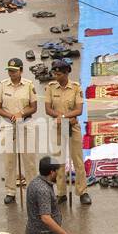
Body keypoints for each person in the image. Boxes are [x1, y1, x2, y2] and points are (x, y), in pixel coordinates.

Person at [44, 59, 87, 204]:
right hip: (57, 127)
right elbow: (48, 109)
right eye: (54, 73)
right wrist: (61, 118)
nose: (56, 76)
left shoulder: (75, 88)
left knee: (77, 160)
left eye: (59, 74)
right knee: (59, 160)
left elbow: (79, 110)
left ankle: (82, 192)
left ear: (66, 73)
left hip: (73, 126)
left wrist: (64, 117)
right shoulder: (50, 87)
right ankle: (61, 192)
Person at [0, 58, 37, 204]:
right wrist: (10, 115)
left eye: (14, 71)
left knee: (29, 159)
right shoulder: (2, 85)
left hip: (26, 123)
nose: (11, 74)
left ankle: (32, 191)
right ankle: (10, 191)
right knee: (9, 160)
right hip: (8, 124)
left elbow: (33, 107)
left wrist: (21, 114)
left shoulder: (29, 85)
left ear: (21, 71)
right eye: (9, 71)